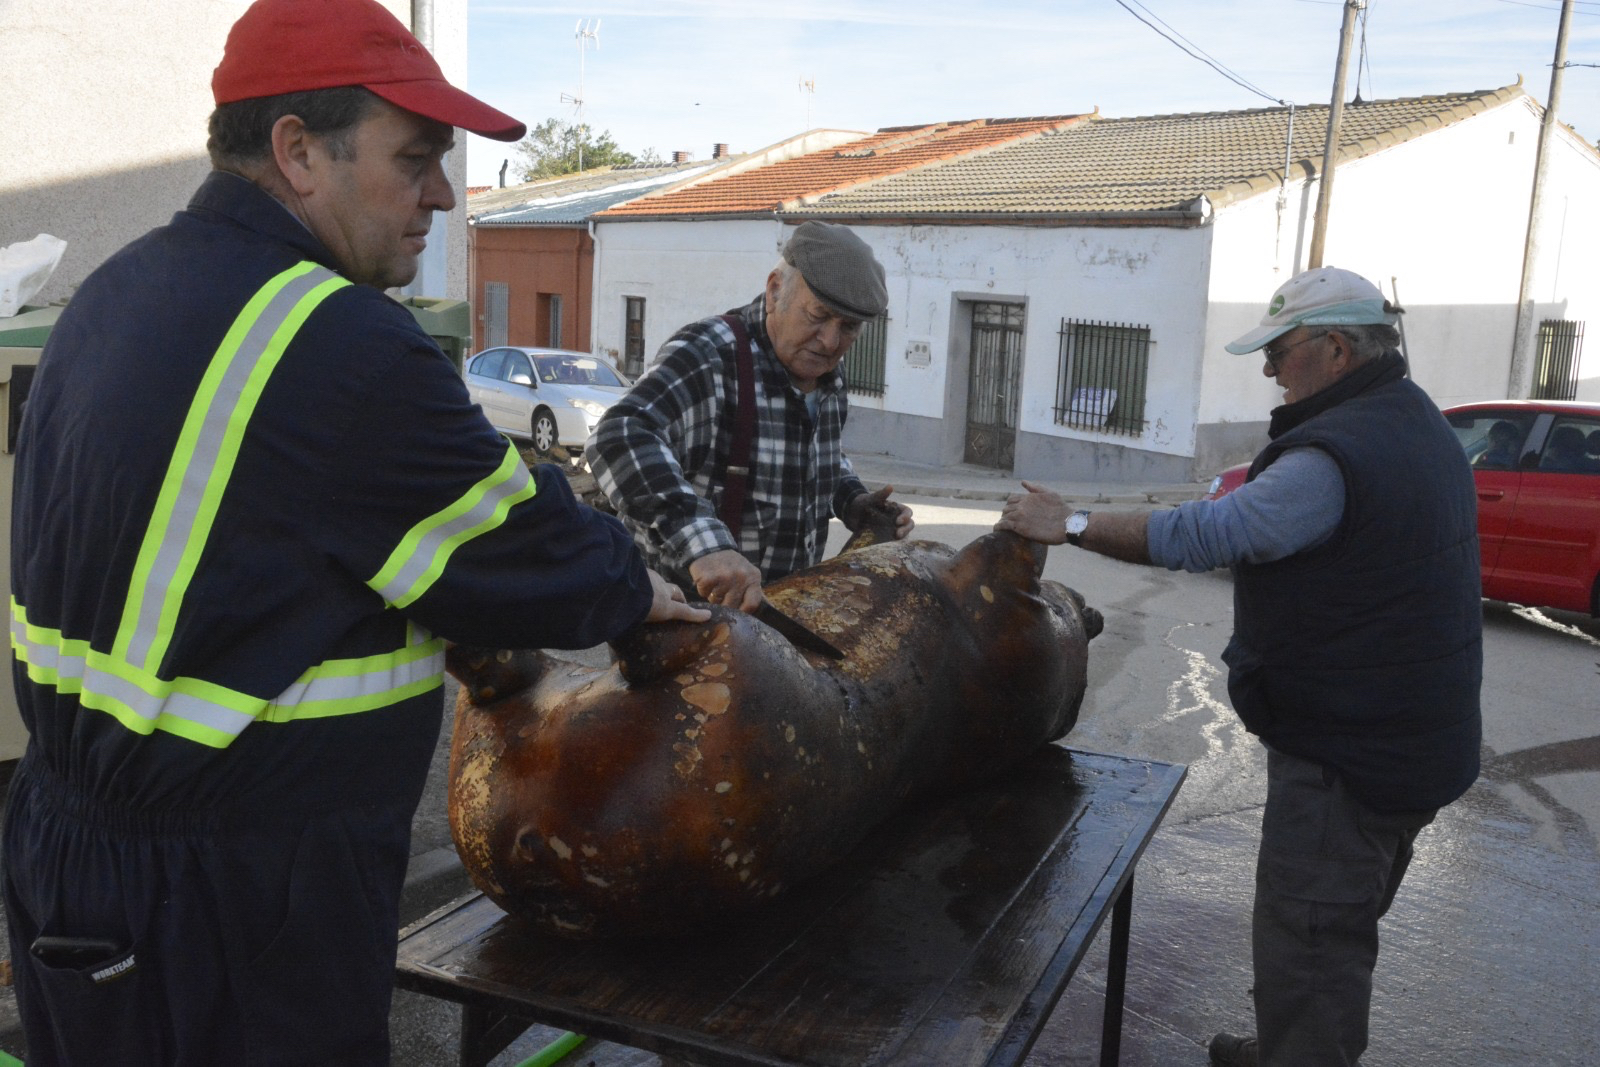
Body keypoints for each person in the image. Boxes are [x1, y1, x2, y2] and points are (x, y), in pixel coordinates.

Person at [2, 2, 706, 1064]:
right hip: (225, 910)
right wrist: (646, 589)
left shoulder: (117, 289)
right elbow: (529, 550)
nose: (442, 195)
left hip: (69, 855)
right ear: (296, 151)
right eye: (415, 157)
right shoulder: (335, 339)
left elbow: (252, 552)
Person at [996, 267, 1482, 1067]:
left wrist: (1070, 521)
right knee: (1331, 927)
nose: (1268, 370)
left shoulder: (1335, 457)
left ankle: (1303, 1051)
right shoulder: (1412, 417)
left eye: (1281, 351)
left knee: (1313, 930)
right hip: (1422, 741)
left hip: (1351, 757)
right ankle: (1288, 1038)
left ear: (1333, 349)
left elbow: (1207, 535)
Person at [586, 221, 915, 613]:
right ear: (776, 290)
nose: (830, 341)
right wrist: (705, 546)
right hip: (683, 624)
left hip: (779, 623)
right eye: (818, 315)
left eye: (848, 327)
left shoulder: (826, 376)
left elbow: (812, 455)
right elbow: (619, 436)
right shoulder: (711, 356)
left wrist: (851, 499)